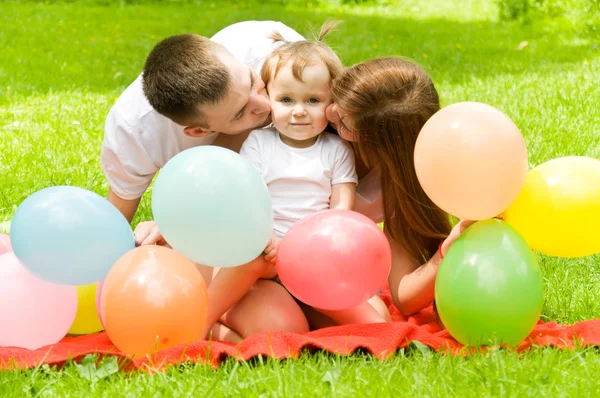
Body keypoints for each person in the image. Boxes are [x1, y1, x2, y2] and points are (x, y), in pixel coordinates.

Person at [101, 21, 311, 342]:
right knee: (282, 329)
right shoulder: (135, 133)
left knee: (292, 322)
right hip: (217, 247)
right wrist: (170, 228)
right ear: (199, 131)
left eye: (254, 83)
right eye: (241, 113)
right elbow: (111, 230)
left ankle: (205, 315)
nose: (266, 105)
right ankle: (205, 320)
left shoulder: (269, 49)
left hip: (283, 236)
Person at [239, 23, 391, 326]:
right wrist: (266, 238)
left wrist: (325, 252)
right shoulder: (258, 143)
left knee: (380, 317)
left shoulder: (335, 149)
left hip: (318, 260)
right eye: (286, 100)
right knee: (288, 324)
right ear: (268, 96)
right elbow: (247, 199)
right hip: (268, 258)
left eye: (312, 100)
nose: (299, 111)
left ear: (331, 102)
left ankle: (309, 305)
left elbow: (342, 209)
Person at [324, 57, 475, 324]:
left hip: (318, 264)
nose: (329, 112)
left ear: (379, 146)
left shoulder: (394, 183)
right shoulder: (298, 110)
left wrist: (447, 251)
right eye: (337, 96)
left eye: (344, 125)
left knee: (376, 321)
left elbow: (404, 297)